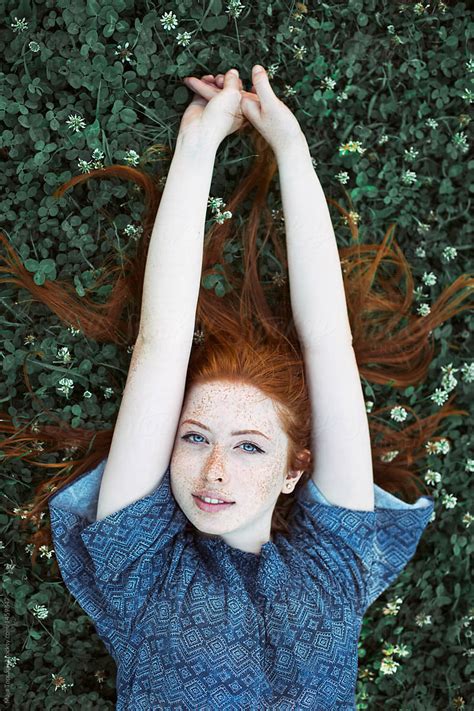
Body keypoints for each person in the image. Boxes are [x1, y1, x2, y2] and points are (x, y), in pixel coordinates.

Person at [3, 66, 471, 709]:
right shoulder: (141, 570)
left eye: (250, 446)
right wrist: (197, 149)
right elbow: (161, 345)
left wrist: (292, 149)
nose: (213, 469)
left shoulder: (335, 565)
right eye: (195, 437)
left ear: (293, 470)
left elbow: (331, 345)